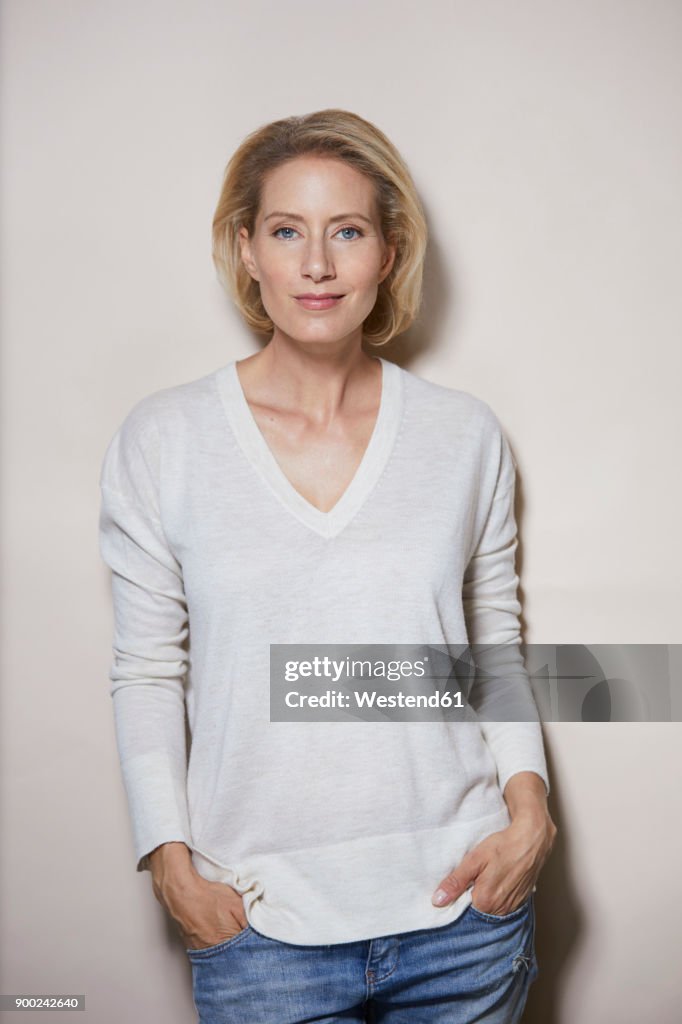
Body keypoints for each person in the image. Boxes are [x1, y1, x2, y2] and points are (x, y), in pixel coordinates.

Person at [98, 108, 557, 1024]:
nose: (316, 263)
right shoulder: (165, 439)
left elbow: (492, 647)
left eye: (347, 231)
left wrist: (531, 814)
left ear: (387, 252)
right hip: (261, 931)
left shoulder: (462, 434)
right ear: (246, 249)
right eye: (286, 231)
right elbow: (148, 669)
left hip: (464, 915)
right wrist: (172, 864)